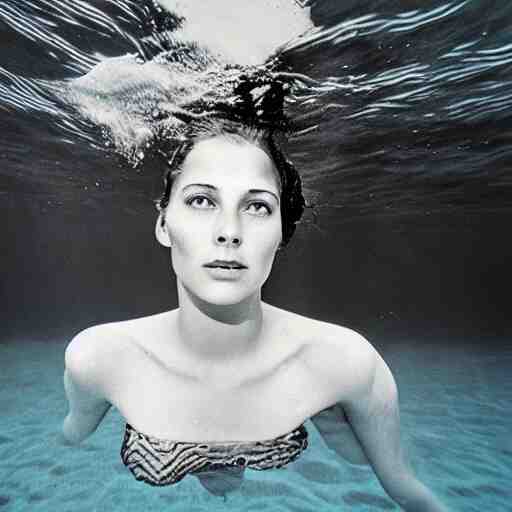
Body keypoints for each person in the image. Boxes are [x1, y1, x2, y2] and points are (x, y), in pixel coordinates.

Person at [62, 117, 448, 511]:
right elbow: (71, 438)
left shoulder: (346, 364)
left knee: (355, 451)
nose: (229, 231)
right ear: (163, 224)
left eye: (258, 206)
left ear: (282, 232)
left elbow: (404, 486)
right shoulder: (98, 358)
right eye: (201, 200)